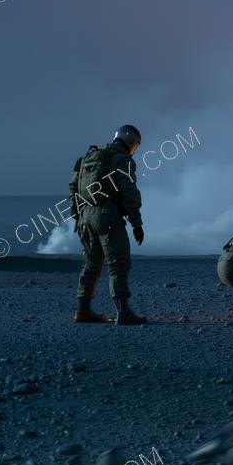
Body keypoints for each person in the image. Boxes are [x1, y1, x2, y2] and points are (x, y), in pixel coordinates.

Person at [69, 124, 147, 325]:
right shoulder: (122, 160)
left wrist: (77, 218)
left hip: (86, 217)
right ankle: (124, 313)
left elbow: (73, 188)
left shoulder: (89, 159)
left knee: (91, 264)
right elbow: (130, 194)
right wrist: (137, 223)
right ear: (132, 142)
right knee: (118, 264)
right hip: (108, 217)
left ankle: (82, 310)